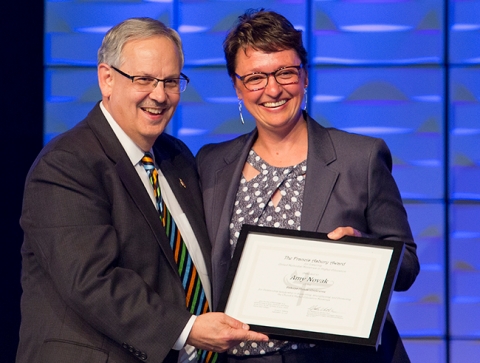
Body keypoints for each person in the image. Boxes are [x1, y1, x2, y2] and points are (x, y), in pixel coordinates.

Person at [17, 17, 267, 363]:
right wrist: (188, 329)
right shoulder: (67, 164)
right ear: (107, 79)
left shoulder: (176, 156)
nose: (160, 95)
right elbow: (91, 280)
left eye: (170, 81)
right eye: (144, 80)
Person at [196, 9, 420, 363]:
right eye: (255, 78)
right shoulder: (210, 164)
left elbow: (407, 265)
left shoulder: (359, 157)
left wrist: (364, 253)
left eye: (285, 72)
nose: (273, 89)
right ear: (237, 87)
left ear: (305, 77)